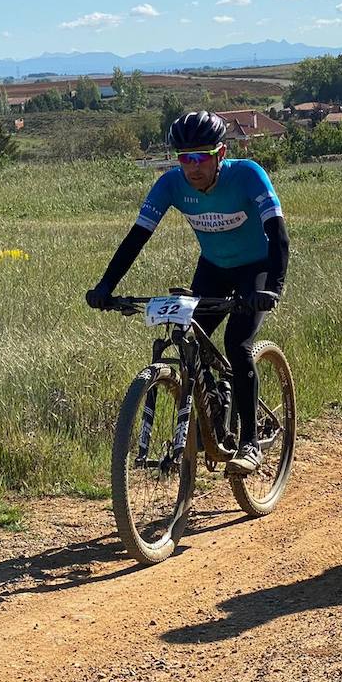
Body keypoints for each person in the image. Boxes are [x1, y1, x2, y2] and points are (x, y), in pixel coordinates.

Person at [86, 110, 289, 476]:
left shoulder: (248, 175)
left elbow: (277, 233)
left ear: (221, 153)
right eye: (184, 159)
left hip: (255, 267)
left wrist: (272, 288)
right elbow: (137, 238)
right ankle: (214, 408)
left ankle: (249, 442)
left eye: (201, 158)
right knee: (191, 337)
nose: (192, 168)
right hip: (212, 266)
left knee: (237, 343)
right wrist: (106, 287)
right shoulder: (171, 185)